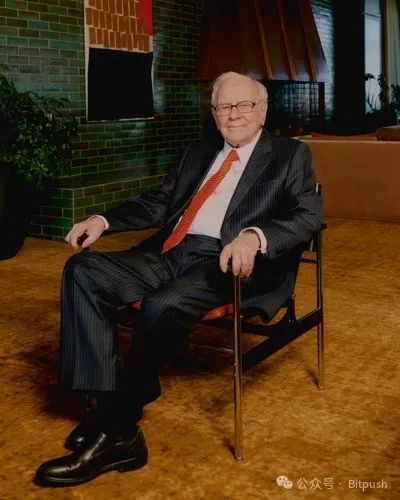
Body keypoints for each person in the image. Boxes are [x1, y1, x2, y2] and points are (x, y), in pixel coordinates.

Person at [35, 71, 322, 486]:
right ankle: (108, 407)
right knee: (83, 270)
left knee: (163, 304)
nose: (234, 114)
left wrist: (254, 236)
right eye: (224, 107)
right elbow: (161, 202)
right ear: (213, 113)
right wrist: (104, 220)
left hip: (227, 260)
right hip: (172, 250)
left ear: (262, 111)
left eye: (243, 105)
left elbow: (308, 215)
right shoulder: (198, 151)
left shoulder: (289, 154)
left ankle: (117, 426)